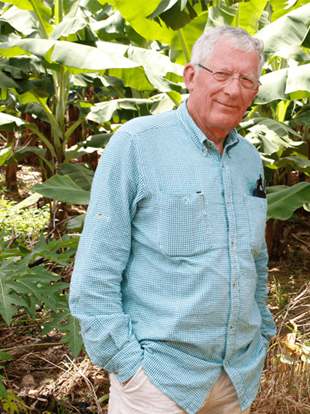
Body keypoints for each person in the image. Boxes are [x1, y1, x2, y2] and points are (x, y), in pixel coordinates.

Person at [69, 25, 276, 414]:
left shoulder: (249, 160)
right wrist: (130, 367)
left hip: (236, 378)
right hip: (158, 381)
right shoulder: (136, 145)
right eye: (221, 74)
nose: (233, 89)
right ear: (191, 75)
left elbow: (255, 260)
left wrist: (263, 333)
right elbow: (96, 270)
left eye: (247, 79)